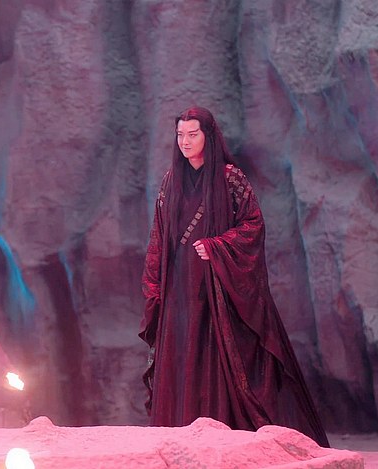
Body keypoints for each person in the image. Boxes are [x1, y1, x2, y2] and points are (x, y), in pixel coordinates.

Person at [139, 106, 329, 447]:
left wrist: (217, 247)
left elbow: (253, 226)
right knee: (181, 356)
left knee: (220, 357)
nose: (185, 141)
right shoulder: (171, 181)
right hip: (179, 289)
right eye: (180, 135)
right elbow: (158, 237)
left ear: (208, 137)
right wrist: (155, 287)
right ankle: (182, 443)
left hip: (217, 289)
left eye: (193, 134)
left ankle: (226, 439)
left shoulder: (230, 178)